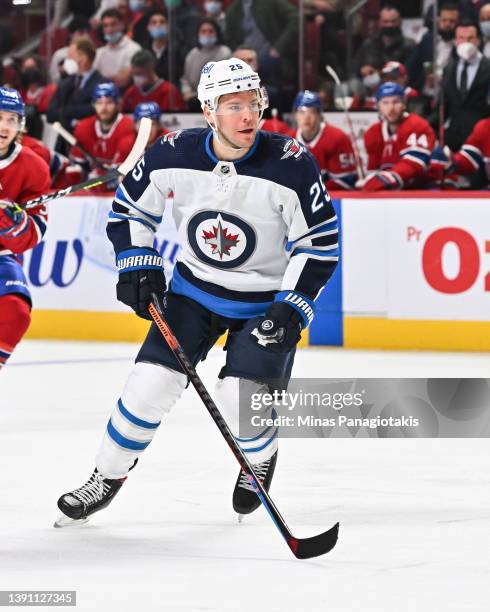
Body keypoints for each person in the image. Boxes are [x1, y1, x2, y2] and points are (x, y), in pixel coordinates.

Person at [55, 57, 339, 525]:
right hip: (193, 294)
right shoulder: (173, 153)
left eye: (254, 103)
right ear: (209, 112)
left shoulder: (292, 164)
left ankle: (259, 457)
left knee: (241, 397)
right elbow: (130, 211)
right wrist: (137, 263)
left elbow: (319, 244)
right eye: (234, 106)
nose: (248, 116)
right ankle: (106, 476)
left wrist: (293, 305)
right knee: (149, 386)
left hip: (263, 304)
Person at [0, 88, 51, 369]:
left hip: (2, 256)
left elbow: (32, 236)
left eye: (11, 119)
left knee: (16, 312)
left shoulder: (34, 167)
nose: (3, 126)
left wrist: (14, 225)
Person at [358, 82, 436, 191]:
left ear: (404, 104)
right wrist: (368, 181)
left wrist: (382, 180)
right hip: (389, 192)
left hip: (420, 190)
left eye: (396, 102)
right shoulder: (372, 133)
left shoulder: (417, 125)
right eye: (385, 103)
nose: (391, 108)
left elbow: (413, 164)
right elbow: (373, 170)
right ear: (378, 106)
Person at [65, 82, 134, 192]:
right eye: (99, 103)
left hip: (121, 194)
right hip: (92, 193)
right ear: (93, 105)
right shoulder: (83, 127)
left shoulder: (128, 127)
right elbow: (79, 165)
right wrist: (77, 174)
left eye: (109, 102)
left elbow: (122, 174)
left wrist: (99, 180)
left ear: (118, 104)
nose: (104, 108)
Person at [291, 90, 357, 190]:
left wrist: (311, 192)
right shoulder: (287, 141)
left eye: (312, 111)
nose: (306, 117)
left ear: (320, 115)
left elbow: (346, 180)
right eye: (302, 112)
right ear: (295, 115)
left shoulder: (337, 138)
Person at [441, 19, 490, 151]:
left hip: (483, 138)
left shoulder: (488, 67)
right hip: (454, 137)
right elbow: (444, 104)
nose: (466, 42)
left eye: (470, 38)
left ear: (478, 40)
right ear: (456, 41)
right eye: (461, 38)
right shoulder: (449, 68)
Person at [46, 37, 107, 137]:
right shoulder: (65, 83)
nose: (67, 60)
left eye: (70, 56)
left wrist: (65, 112)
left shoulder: (102, 84)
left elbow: (94, 111)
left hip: (88, 140)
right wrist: (73, 118)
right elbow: (51, 114)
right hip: (64, 142)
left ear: (83, 58)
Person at [406, 3, 460, 93]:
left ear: (458, 22)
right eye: (444, 20)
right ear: (438, 20)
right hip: (425, 92)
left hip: (449, 94)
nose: (447, 24)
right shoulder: (427, 39)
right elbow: (413, 65)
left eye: (452, 21)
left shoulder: (460, 44)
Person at [180, 19, 231, 110]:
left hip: (219, 100)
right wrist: (187, 92)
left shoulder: (225, 53)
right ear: (198, 34)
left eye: (211, 31)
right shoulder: (192, 54)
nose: (207, 34)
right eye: (203, 31)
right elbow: (185, 79)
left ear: (217, 33)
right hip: (195, 100)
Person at [354, 6, 416, 73]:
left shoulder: (410, 46)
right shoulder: (368, 44)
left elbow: (411, 72)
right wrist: (362, 70)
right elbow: (355, 69)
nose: (389, 25)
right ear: (379, 22)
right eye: (385, 21)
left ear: (400, 22)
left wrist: (379, 73)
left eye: (393, 21)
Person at [93, 8, 142, 89]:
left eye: (113, 24)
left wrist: (102, 78)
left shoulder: (134, 49)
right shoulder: (99, 52)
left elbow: (122, 81)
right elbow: (93, 80)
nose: (109, 30)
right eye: (105, 26)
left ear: (122, 25)